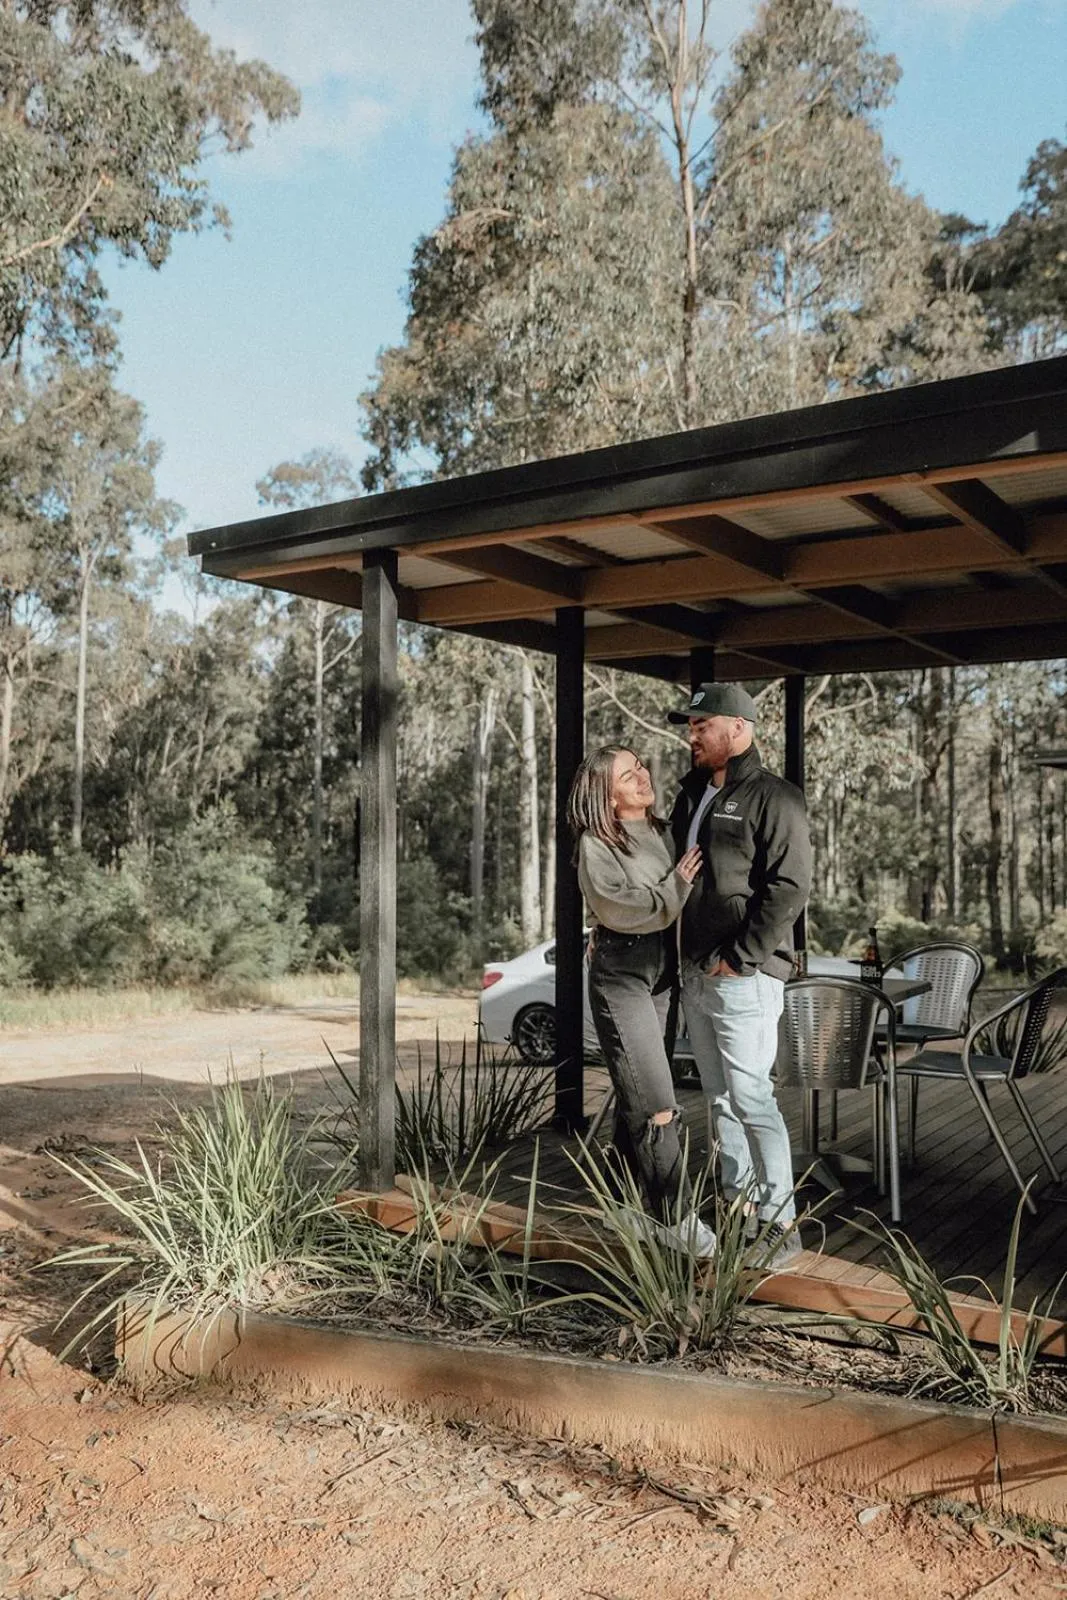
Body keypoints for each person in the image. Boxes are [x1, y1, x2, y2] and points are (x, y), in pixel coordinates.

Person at [666, 684, 812, 1268]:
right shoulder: (694, 792)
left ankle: (780, 1226)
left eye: (703, 724)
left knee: (753, 1098)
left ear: (740, 728)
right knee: (721, 1100)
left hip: (743, 976)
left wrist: (742, 956)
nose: (692, 735)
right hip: (696, 973)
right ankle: (738, 1209)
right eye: (691, 725)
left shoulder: (775, 797)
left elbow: (789, 887)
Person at [567, 745, 715, 1257]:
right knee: (656, 1102)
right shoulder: (595, 843)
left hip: (664, 974)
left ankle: (621, 1201)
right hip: (622, 975)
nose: (643, 777)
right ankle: (676, 1218)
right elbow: (619, 907)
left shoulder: (664, 830)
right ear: (605, 796)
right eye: (628, 775)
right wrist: (675, 888)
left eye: (640, 767)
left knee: (637, 1091)